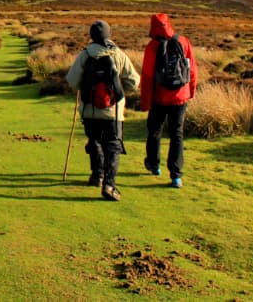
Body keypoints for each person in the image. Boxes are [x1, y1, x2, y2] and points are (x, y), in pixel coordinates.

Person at [66, 20, 140, 201]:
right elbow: (134, 82)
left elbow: (73, 81)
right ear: (109, 34)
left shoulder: (85, 55)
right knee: (113, 146)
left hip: (89, 111)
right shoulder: (119, 55)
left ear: (92, 35)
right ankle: (109, 184)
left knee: (94, 141)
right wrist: (121, 92)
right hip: (113, 112)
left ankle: (96, 176)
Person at [140, 13, 198, 189]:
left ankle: (154, 164)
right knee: (177, 134)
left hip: (159, 98)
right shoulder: (184, 42)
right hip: (180, 97)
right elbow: (192, 70)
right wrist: (191, 92)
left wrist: (145, 102)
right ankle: (176, 175)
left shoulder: (152, 47)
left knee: (154, 130)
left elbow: (148, 77)